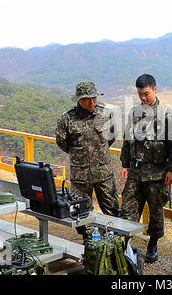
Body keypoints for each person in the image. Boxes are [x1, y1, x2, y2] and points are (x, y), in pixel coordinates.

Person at [120, 73, 172, 263]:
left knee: (156, 212)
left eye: (146, 93)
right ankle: (126, 244)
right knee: (128, 209)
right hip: (136, 172)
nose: (143, 98)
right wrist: (125, 163)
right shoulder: (134, 113)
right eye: (139, 94)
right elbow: (127, 140)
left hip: (157, 173)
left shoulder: (167, 114)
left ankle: (153, 244)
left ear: (155, 89)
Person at [55, 81, 120, 239]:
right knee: (81, 210)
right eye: (86, 99)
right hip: (81, 174)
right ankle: (90, 240)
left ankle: (114, 240)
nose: (91, 102)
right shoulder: (67, 119)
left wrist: (98, 153)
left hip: (103, 172)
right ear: (78, 99)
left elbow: (112, 137)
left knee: (113, 209)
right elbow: (62, 142)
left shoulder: (106, 115)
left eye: (94, 98)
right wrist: (80, 154)